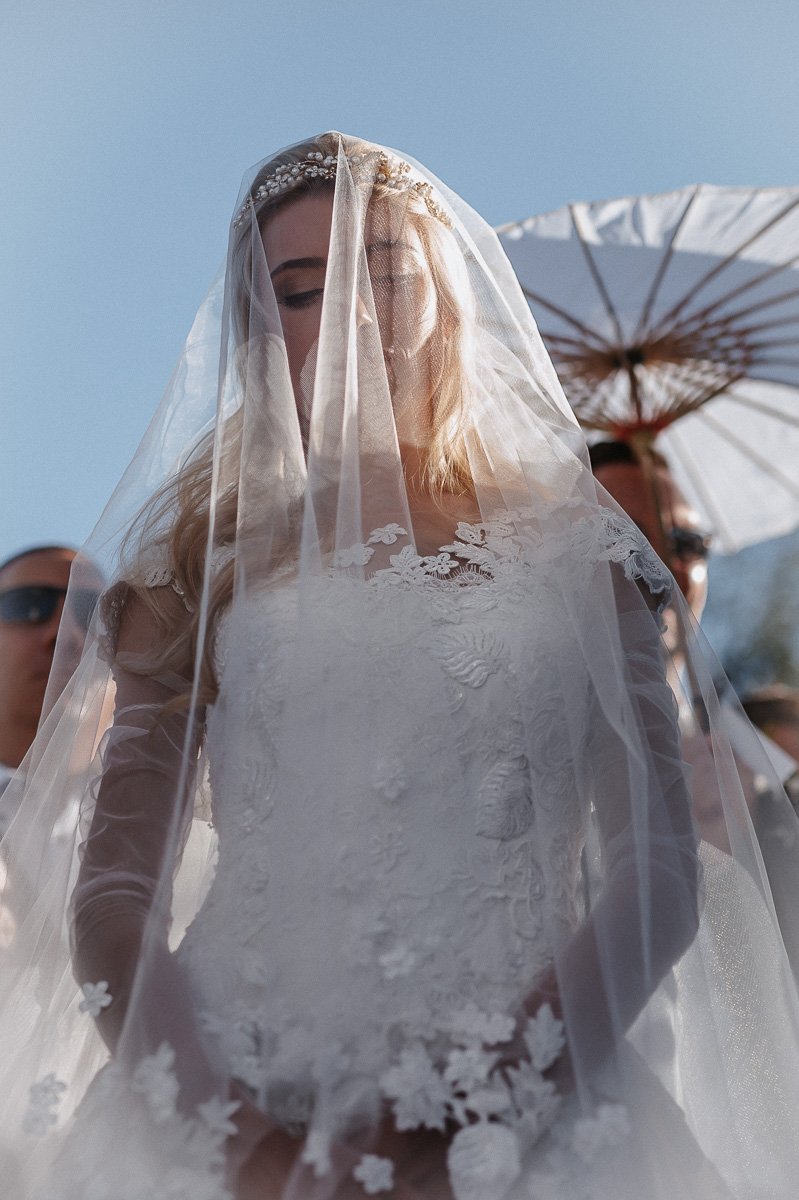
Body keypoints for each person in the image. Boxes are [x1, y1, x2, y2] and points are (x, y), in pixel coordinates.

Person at [1, 133, 798, 1200]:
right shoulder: (196, 566)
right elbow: (110, 901)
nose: (349, 319)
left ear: (451, 299)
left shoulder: (584, 556)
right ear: (256, 334)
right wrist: (238, 1142)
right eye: (298, 291)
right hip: (224, 1101)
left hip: (531, 1107)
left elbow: (655, 875)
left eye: (383, 271)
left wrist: (483, 1109)